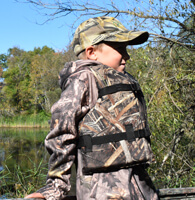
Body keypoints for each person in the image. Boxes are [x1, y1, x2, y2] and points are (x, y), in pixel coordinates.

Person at [25, 16, 159, 200]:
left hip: (139, 184)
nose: (126, 56)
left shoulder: (123, 78)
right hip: (102, 189)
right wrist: (55, 187)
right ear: (92, 52)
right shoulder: (84, 79)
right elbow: (61, 133)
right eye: (120, 48)